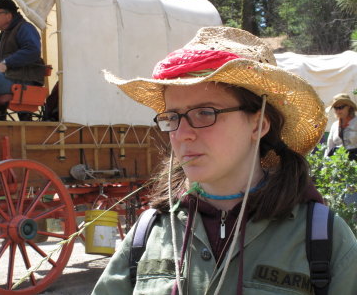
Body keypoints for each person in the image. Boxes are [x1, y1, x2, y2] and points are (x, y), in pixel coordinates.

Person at [92, 27, 357, 294]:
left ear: (258, 125)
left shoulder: (321, 237)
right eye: (172, 117)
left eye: (205, 113)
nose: (182, 135)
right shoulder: (150, 231)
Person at [325, 93, 357, 160]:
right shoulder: (334, 125)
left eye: (341, 107)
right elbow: (330, 147)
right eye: (336, 108)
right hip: (338, 163)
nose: (338, 111)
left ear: (349, 106)